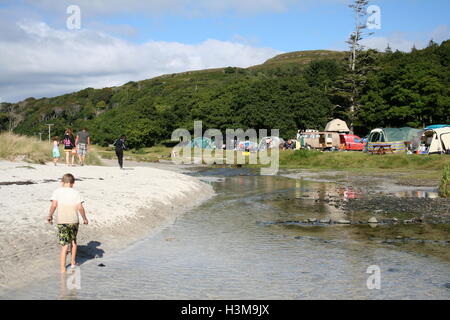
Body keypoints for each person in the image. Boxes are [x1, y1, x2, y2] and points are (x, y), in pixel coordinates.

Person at [47, 173, 88, 274]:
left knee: (64, 245)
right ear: (73, 183)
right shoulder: (76, 193)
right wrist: (85, 218)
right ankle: (73, 262)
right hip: (74, 221)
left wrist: (50, 215)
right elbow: (80, 207)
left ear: (62, 182)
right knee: (73, 241)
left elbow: (54, 205)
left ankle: (63, 269)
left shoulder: (57, 192)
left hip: (62, 221)